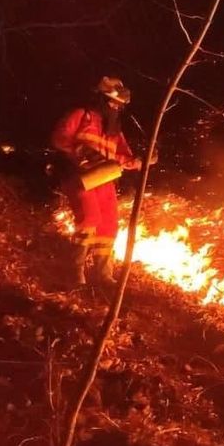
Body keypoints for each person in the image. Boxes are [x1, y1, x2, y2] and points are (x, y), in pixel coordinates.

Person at [51, 76, 143, 288]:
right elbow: (59, 138)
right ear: (101, 99)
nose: (116, 107)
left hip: (105, 179)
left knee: (109, 223)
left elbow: (123, 157)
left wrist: (140, 161)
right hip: (79, 177)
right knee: (90, 218)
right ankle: (74, 273)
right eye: (112, 102)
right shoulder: (81, 115)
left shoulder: (113, 130)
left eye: (119, 104)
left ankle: (103, 274)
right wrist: (81, 152)